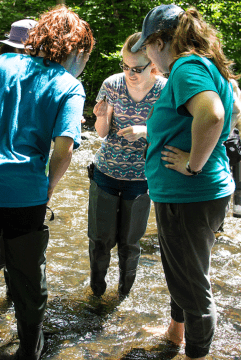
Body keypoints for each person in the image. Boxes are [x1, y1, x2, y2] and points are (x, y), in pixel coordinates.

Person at [0, 6, 94, 360]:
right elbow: (63, 150)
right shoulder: (69, 86)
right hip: (25, 196)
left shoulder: (0, 65)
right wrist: (46, 190)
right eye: (85, 55)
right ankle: (30, 349)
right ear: (75, 50)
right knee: (29, 278)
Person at [131, 5, 237, 359]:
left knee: (192, 285)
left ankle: (197, 353)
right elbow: (225, 111)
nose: (147, 54)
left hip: (190, 193)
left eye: (147, 46)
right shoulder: (204, 64)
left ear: (160, 41)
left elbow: (213, 114)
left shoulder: (186, 67)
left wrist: (192, 165)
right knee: (185, 271)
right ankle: (176, 334)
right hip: (198, 194)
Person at [88, 32, 166, 298]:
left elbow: (170, 134)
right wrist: (100, 117)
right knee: (100, 241)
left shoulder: (164, 90)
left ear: (153, 65)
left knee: (130, 244)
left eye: (137, 68)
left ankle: (124, 295)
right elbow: (101, 132)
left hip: (142, 177)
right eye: (125, 66)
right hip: (106, 172)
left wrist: (144, 130)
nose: (130, 73)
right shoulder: (111, 85)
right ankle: (96, 293)